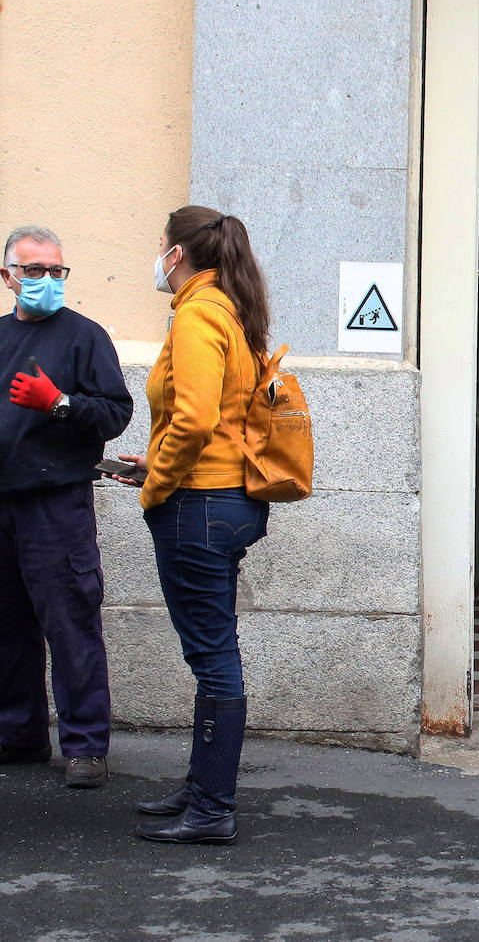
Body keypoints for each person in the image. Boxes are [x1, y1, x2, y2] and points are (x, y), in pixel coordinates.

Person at [115, 206, 271, 844]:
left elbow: (197, 416)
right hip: (221, 500)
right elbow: (218, 422)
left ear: (177, 253)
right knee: (212, 654)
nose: (157, 255)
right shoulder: (229, 310)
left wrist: (158, 483)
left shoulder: (199, 313)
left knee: (213, 659)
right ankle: (202, 790)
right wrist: (155, 461)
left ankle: (211, 809)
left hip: (198, 507)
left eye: (160, 244)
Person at [0, 226, 134, 788]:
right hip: (3, 500)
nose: (47, 281)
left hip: (57, 504)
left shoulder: (85, 337)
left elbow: (114, 412)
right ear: (8, 276)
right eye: (34, 272)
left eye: (57, 271)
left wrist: (58, 403)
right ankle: (19, 734)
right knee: (8, 628)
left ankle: (84, 746)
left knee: (71, 624)